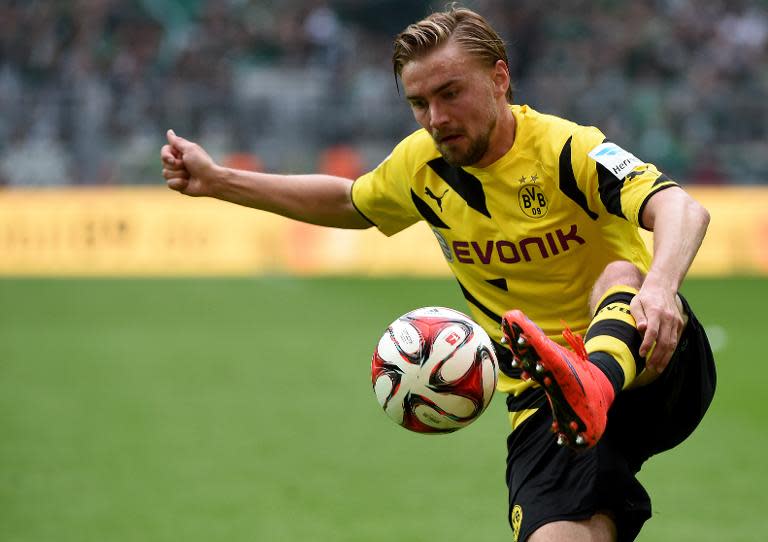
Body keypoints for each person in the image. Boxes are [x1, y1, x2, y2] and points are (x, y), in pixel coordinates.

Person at [160, 6, 716, 541]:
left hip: (654, 361)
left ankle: (595, 381)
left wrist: (662, 286)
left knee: (621, 271)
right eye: (419, 103)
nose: (436, 118)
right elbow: (352, 203)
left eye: (450, 93)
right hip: (545, 396)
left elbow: (681, 209)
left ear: (500, 78)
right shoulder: (421, 166)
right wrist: (220, 182)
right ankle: (580, 398)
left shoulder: (569, 148)